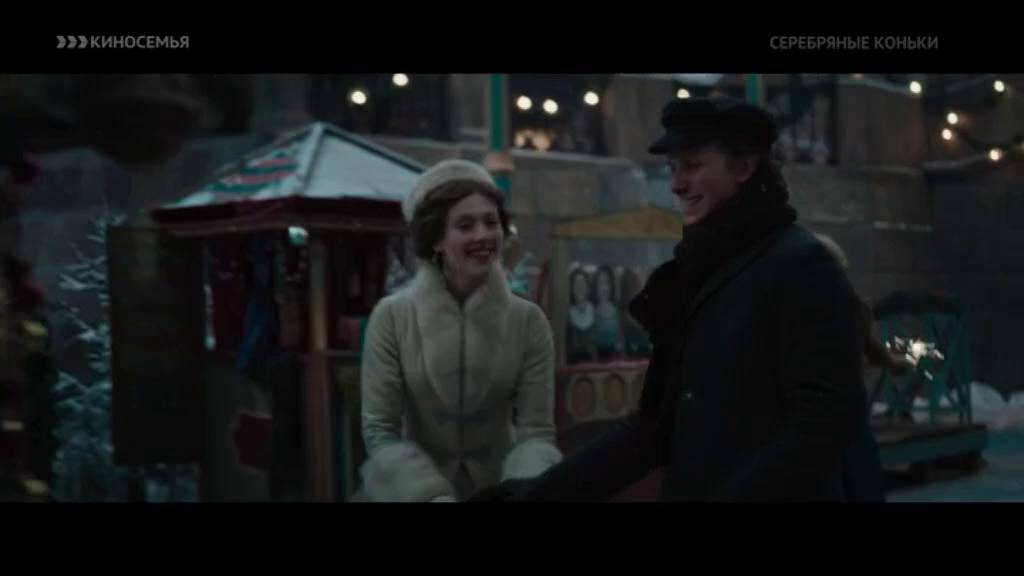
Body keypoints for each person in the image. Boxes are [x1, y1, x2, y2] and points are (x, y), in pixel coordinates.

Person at [474, 97, 873, 502]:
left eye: (693, 166)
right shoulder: (699, 271)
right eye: (673, 167)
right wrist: (528, 497)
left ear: (742, 167)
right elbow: (654, 427)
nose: (677, 183)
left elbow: (821, 424)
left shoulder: (801, 265)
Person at [358, 159, 562, 502]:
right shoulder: (392, 317)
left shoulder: (528, 320)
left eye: (491, 222)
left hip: (502, 492)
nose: (483, 235)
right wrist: (426, 495)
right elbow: (381, 430)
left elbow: (537, 431)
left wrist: (521, 491)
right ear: (436, 239)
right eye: (465, 225)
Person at [592, 265, 623, 361]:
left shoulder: (617, 312)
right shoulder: (591, 312)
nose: (604, 288)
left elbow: (620, 344)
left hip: (615, 363)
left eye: (606, 283)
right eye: (600, 283)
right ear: (595, 286)